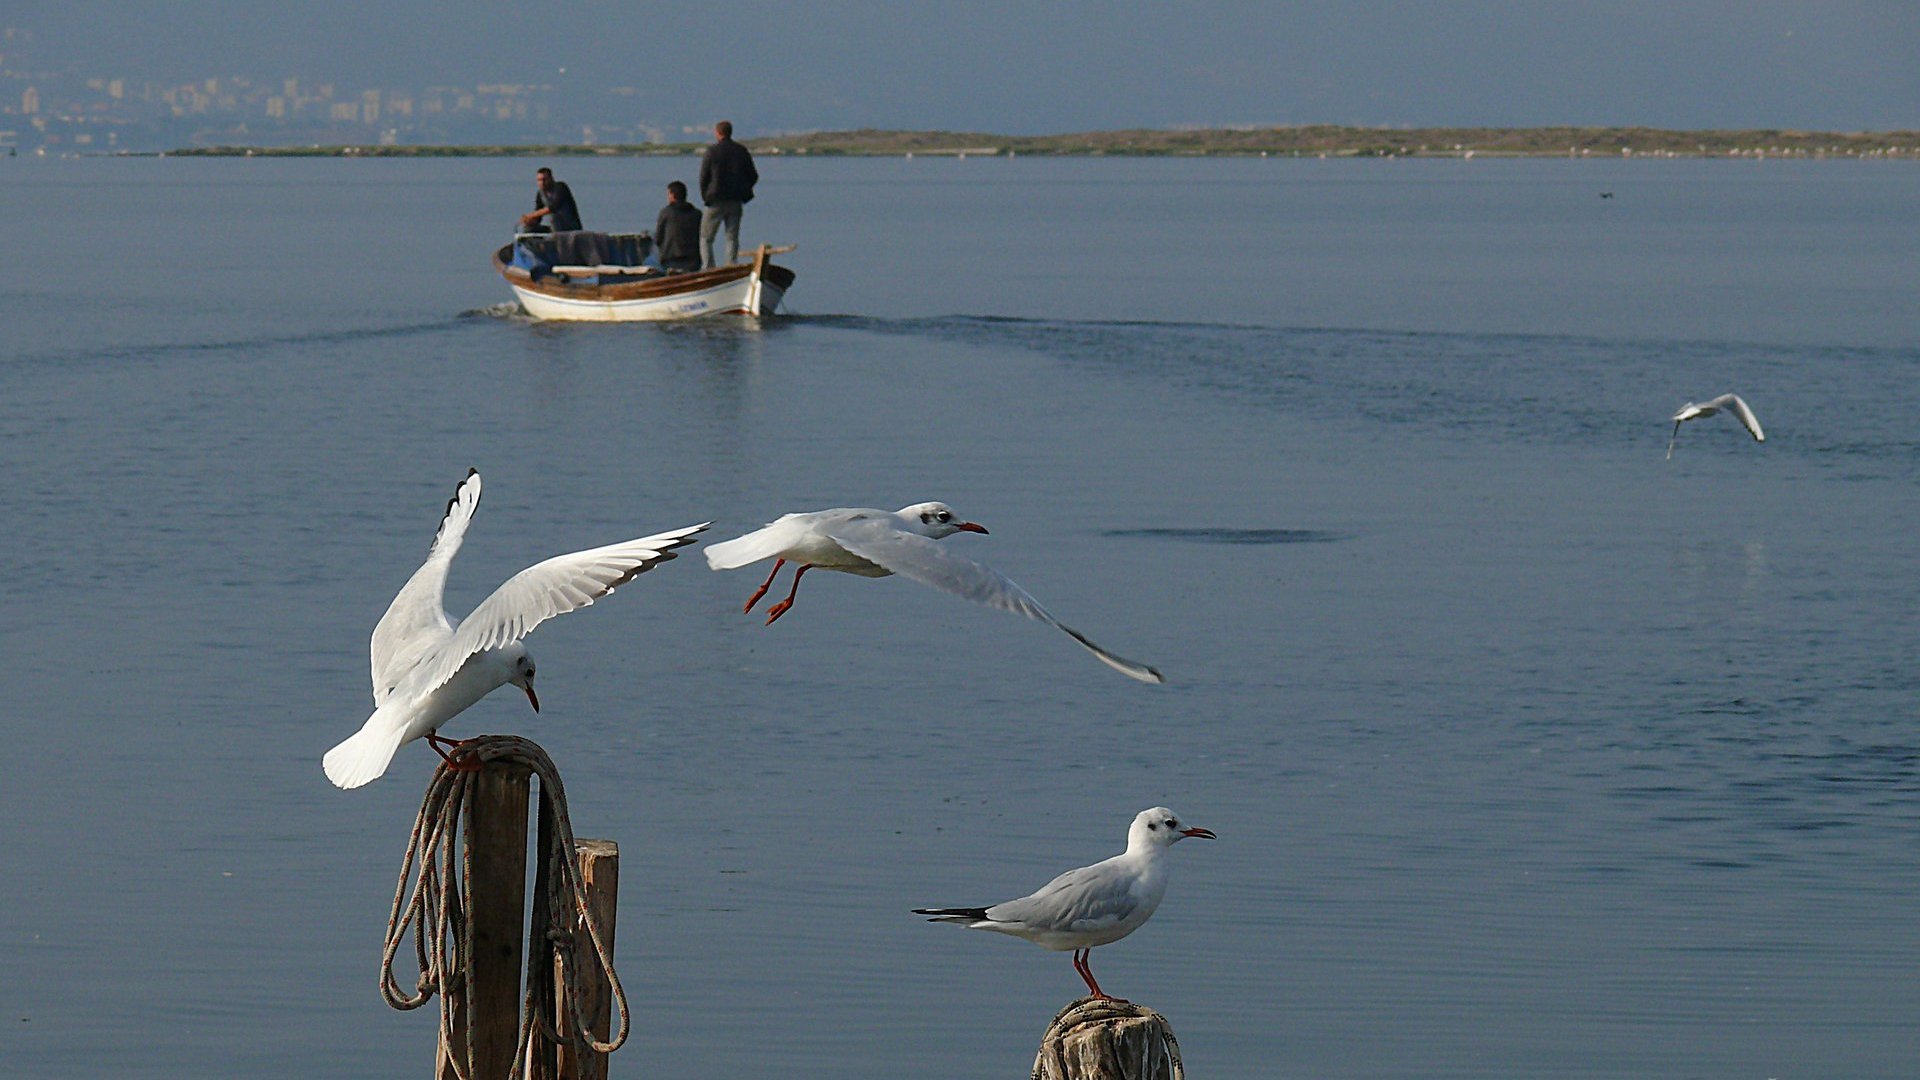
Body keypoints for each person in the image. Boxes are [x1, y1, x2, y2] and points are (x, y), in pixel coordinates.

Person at [698, 120, 758, 268]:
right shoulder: (741, 151)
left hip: (715, 200)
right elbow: (753, 175)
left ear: (717, 133)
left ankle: (708, 267)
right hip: (735, 200)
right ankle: (731, 264)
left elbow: (704, 177)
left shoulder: (712, 152)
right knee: (732, 236)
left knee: (706, 238)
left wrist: (706, 196)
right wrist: (744, 191)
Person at [654, 180, 702, 272]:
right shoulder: (697, 214)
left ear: (672, 195)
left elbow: (658, 239)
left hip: (671, 260)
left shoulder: (666, 213)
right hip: (693, 260)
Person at [519, 167, 582, 233]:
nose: (542, 183)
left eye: (544, 180)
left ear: (551, 178)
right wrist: (530, 221)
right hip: (554, 229)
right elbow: (538, 215)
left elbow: (553, 207)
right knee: (528, 229)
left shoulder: (561, 187)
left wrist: (531, 215)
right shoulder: (540, 193)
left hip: (570, 229)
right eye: (539, 180)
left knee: (555, 218)